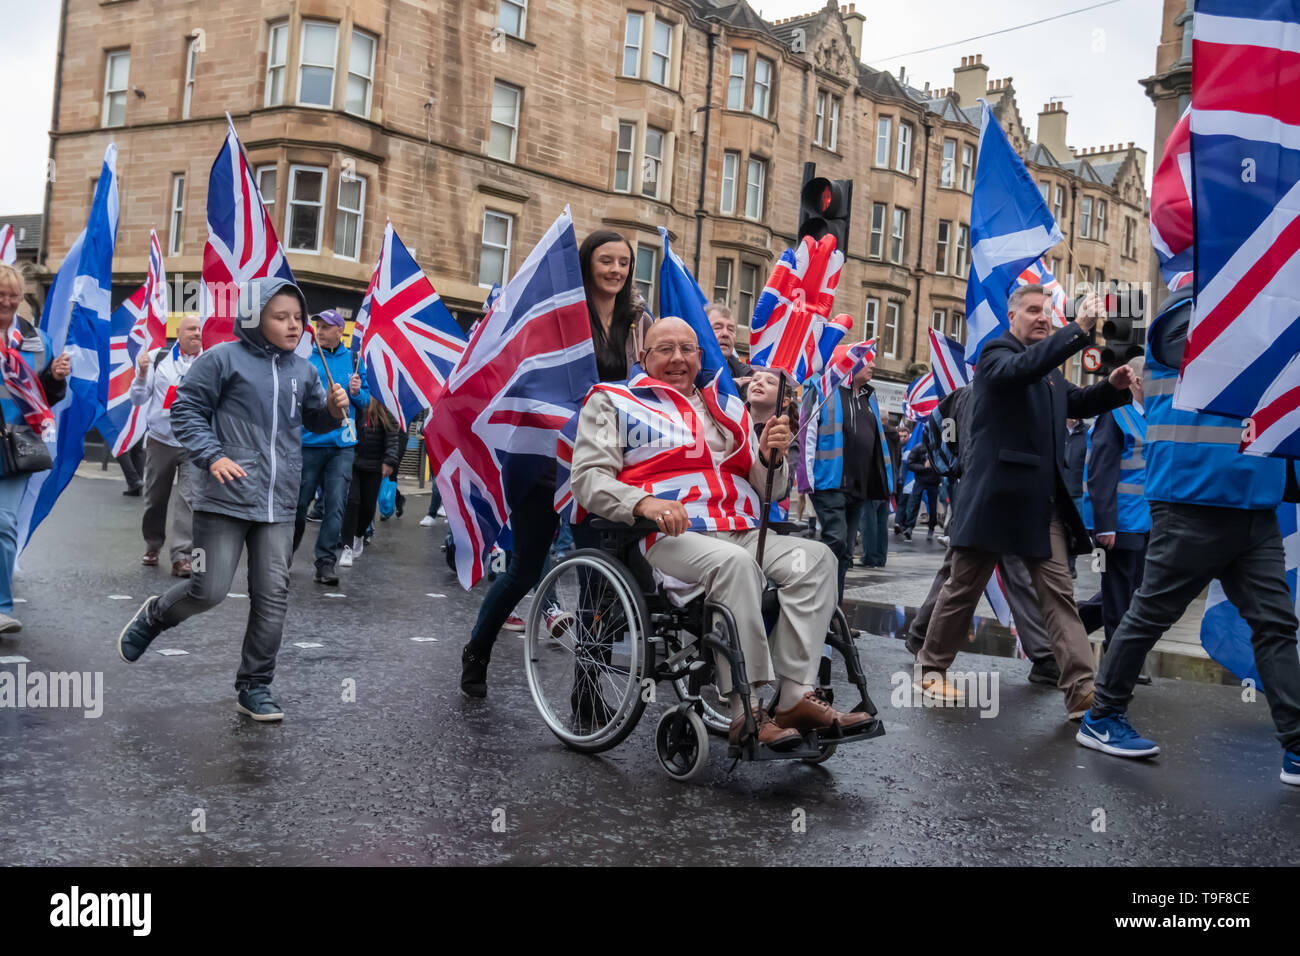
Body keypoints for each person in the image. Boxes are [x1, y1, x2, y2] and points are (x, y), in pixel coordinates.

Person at [570, 317, 871, 745]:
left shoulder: (726, 407)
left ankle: (793, 696)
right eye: (665, 349)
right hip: (670, 535)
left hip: (741, 528)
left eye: (688, 349)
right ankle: (743, 711)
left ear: (700, 356)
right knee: (736, 565)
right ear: (643, 357)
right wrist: (644, 503)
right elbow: (588, 479)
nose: (678, 358)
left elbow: (771, 488)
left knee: (818, 559)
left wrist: (769, 457)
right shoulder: (613, 401)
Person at [1080, 288, 1300, 783]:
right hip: (1192, 501)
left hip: (1253, 502)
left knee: (1275, 625)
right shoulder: (1186, 313)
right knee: (1151, 612)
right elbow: (1217, 344)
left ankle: (1297, 745)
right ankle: (1103, 716)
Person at [115, 278, 350, 721]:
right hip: (221, 500)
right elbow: (185, 411)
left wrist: (334, 410)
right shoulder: (221, 360)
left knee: (273, 596)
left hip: (278, 505)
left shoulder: (304, 369)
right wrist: (212, 455)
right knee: (209, 588)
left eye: (298, 317)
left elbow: (314, 420)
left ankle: (255, 686)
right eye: (281, 317)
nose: (294, 325)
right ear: (254, 318)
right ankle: (155, 615)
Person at [914, 286, 1135, 719]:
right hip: (994, 500)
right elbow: (1020, 370)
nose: (1043, 318)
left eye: (1048, 312)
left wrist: (1111, 386)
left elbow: (1079, 401)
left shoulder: (1051, 372)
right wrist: (1079, 331)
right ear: (1012, 315)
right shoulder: (997, 353)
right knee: (963, 588)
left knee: (1059, 595)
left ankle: (1082, 692)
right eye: (1033, 310)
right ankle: (930, 669)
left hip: (1039, 505)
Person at [459, 229, 653, 698]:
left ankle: (586, 690)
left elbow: (645, 383)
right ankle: (477, 650)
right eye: (606, 261)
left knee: (596, 572)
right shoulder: (561, 313)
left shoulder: (638, 320)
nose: (616, 271)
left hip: (599, 464)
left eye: (624, 263)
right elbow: (528, 377)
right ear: (587, 263)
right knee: (525, 569)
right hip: (544, 460)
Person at [903, 386, 1062, 686]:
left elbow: (951, 439)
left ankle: (920, 635)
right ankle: (1043, 655)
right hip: (990, 493)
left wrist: (955, 466)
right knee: (990, 572)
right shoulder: (988, 392)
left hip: (980, 491)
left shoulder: (970, 393)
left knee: (959, 571)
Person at [0, 265, 70, 633]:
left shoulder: (36, 341)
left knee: (4, 522)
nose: (8, 301)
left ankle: (0, 608)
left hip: (15, 446)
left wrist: (55, 378)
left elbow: (46, 394)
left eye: (13, 295)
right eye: (1, 294)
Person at [1077, 357, 1151, 684]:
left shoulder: (1150, 417)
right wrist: (1105, 525)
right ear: (1136, 380)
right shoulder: (1114, 415)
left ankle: (1066, 628)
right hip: (1120, 525)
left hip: (1146, 522)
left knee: (1130, 593)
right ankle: (1118, 666)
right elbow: (1100, 473)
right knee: (1120, 596)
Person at [797, 349, 893, 598]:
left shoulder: (869, 398)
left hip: (857, 487)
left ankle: (833, 612)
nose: (872, 365)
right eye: (865, 361)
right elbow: (806, 434)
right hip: (830, 483)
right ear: (847, 364)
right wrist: (805, 479)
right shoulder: (822, 390)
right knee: (835, 543)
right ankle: (817, 606)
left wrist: (881, 482)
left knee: (845, 551)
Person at [292, 309, 367, 585]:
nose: (320, 331)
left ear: (340, 331)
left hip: (342, 446)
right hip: (309, 443)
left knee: (336, 505)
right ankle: (284, 555)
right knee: (299, 504)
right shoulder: (304, 359)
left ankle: (325, 562)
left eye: (326, 327)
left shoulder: (355, 360)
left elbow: (367, 402)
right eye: (318, 326)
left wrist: (358, 393)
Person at [130, 315, 203, 576]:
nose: (197, 333)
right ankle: (152, 544)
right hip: (161, 440)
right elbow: (138, 398)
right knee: (156, 498)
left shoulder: (210, 361)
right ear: (179, 333)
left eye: (199, 329)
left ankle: (182, 555)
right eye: (191, 329)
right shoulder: (157, 358)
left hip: (194, 442)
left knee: (189, 499)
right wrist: (141, 373)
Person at [339, 398, 401, 568]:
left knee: (367, 507)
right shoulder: (355, 403)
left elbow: (393, 436)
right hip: (352, 462)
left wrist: (389, 461)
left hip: (374, 465)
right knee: (352, 503)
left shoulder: (384, 405)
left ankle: (359, 534)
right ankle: (347, 547)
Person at [745, 368, 796, 519]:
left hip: (767, 518)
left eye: (770, 382)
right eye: (755, 379)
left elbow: (784, 488)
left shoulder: (786, 438)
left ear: (785, 400)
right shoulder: (731, 422)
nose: (759, 382)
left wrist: (776, 461)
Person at [706, 304, 752, 394]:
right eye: (717, 328)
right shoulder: (688, 372)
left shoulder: (747, 375)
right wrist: (733, 385)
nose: (725, 334)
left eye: (730, 329)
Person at [1064, 417, 1089, 577]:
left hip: (1077, 492)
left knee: (1074, 534)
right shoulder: (1056, 428)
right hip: (1056, 492)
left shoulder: (1086, 432)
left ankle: (1070, 566)